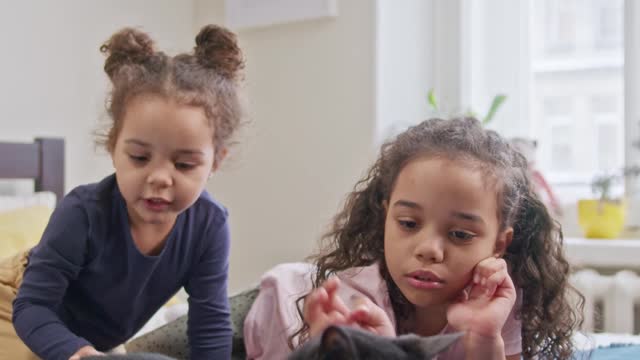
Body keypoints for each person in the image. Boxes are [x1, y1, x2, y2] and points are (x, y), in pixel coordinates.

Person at [244, 117, 583, 359]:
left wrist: (483, 337)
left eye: (460, 234)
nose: (428, 249)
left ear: (499, 244)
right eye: (408, 223)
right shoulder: (355, 305)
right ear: (386, 215)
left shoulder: (496, 301)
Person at [0, 24, 244, 360]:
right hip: (18, 309)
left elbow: (210, 324)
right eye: (140, 158)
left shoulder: (209, 225)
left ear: (215, 161)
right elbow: (34, 307)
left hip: (94, 337)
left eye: (184, 164)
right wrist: (80, 353)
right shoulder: (82, 213)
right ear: (114, 147)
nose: (160, 178)